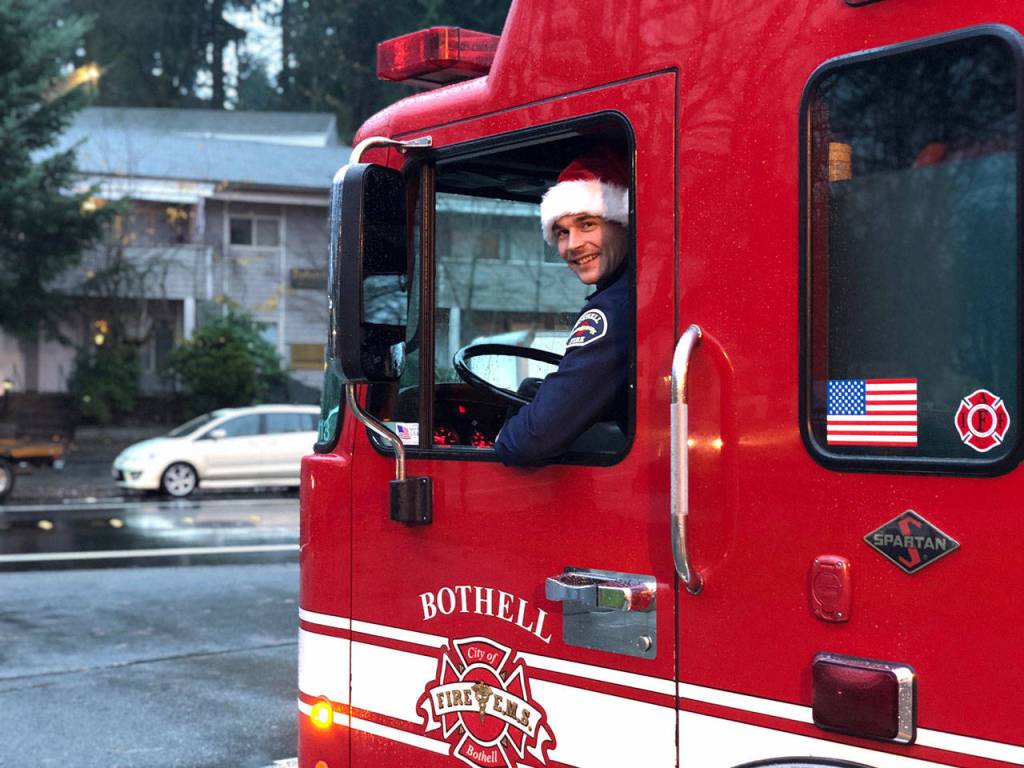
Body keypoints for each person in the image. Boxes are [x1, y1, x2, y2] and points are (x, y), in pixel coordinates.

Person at [493, 147, 632, 466]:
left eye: (587, 225)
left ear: (622, 222)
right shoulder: (634, 293)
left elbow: (533, 440)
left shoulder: (613, 310)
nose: (572, 245)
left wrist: (503, 438)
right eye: (561, 233)